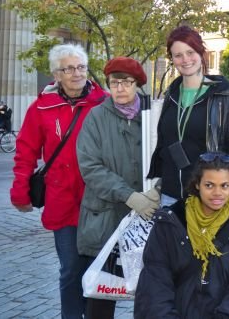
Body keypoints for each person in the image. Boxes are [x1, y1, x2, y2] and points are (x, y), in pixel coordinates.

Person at [9, 43, 108, 319]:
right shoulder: (41, 107)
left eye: (81, 67)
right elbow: (25, 152)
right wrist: (20, 192)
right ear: (56, 74)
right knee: (71, 269)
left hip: (99, 201)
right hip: (62, 200)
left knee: (100, 269)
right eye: (69, 69)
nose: (77, 73)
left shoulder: (104, 103)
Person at [76, 57, 159, 319]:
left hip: (147, 217)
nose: (120, 88)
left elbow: (167, 156)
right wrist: (128, 195)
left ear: (137, 84)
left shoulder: (153, 115)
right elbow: (90, 167)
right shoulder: (96, 117)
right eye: (114, 83)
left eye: (127, 82)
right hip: (105, 218)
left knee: (150, 294)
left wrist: (158, 189)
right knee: (103, 295)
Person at [135, 152, 229, 318]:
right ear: (197, 184)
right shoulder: (169, 223)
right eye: (209, 185)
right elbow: (154, 286)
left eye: (224, 186)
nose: (218, 193)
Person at [148, 25, 229, 205]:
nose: (185, 60)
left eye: (190, 52)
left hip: (207, 198)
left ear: (201, 53)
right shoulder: (172, 93)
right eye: (178, 55)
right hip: (170, 196)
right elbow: (165, 144)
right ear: (172, 59)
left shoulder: (224, 94)